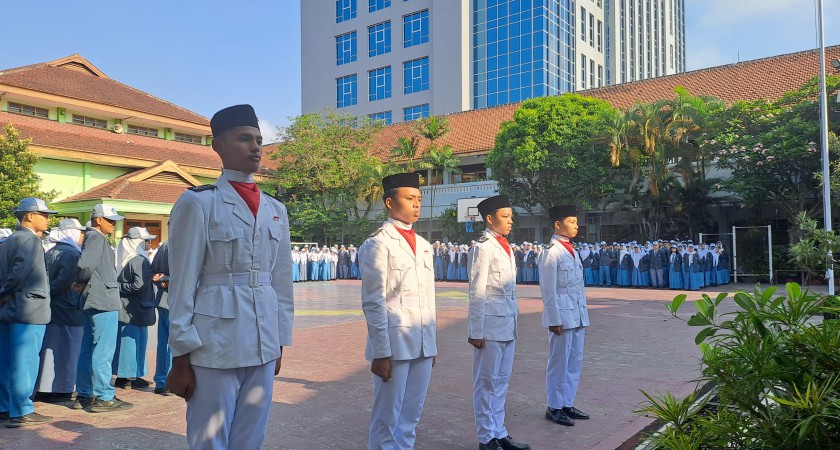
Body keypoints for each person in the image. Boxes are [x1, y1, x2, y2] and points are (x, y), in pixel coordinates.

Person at [167, 104, 294, 449]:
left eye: (259, 140)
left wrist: (279, 341)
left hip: (263, 340)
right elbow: (182, 283)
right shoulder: (198, 203)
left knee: (251, 437)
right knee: (210, 438)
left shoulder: (275, 209)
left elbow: (280, 282)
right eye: (244, 138)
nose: (255, 147)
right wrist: (180, 357)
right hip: (214, 342)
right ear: (218, 146)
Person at [359, 172, 437, 450]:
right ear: (390, 203)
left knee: (411, 416)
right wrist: (381, 353)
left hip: (421, 344)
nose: (416, 204)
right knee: (387, 417)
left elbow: (428, 299)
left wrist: (431, 345)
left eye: (419, 199)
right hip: (394, 345)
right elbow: (373, 301)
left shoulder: (426, 246)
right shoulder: (377, 244)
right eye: (409, 198)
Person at [467, 196, 531, 450]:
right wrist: (475, 330)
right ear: (490, 218)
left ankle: (499, 431)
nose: (510, 221)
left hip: (507, 324)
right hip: (490, 327)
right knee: (486, 382)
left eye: (511, 216)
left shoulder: (505, 246)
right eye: (505, 216)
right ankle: (486, 437)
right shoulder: (483, 247)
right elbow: (477, 291)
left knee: (501, 380)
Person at [0, 198, 56, 427]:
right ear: (30, 216)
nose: (48, 218)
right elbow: (19, 272)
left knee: (7, 362)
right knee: (26, 362)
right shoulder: (31, 240)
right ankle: (21, 410)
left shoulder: (10, 239)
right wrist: (5, 290)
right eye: (44, 214)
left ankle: (5, 406)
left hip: (10, 307)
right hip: (29, 308)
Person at [73, 203, 133, 412]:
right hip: (102, 299)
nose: (114, 224)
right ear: (98, 220)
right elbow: (85, 265)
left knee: (88, 349)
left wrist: (81, 283)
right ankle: (103, 396)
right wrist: (79, 280)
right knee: (103, 350)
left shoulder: (94, 237)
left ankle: (85, 395)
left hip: (94, 298)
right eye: (110, 220)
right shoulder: (97, 237)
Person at [539, 205, 590, 427]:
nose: (576, 226)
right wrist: (553, 319)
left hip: (578, 313)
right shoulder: (551, 252)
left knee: (574, 361)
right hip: (561, 316)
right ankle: (554, 406)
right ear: (558, 224)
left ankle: (567, 402)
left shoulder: (572, 250)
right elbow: (548, 290)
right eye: (572, 222)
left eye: (576, 222)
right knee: (559, 362)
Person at [35, 218, 86, 404]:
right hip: (68, 308)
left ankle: (46, 388)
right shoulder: (72, 253)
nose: (82, 236)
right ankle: (62, 388)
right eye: (80, 232)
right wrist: (50, 292)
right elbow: (64, 280)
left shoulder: (53, 250)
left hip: (55, 308)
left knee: (51, 348)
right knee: (68, 350)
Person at [112, 227, 157, 389]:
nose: (149, 243)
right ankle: (132, 376)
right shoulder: (139, 260)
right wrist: (118, 286)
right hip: (136, 308)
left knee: (124, 342)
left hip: (127, 307)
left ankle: (123, 376)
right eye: (146, 240)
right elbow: (138, 284)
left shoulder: (124, 258)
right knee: (134, 342)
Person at [151, 239, 173, 395]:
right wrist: (165, 280)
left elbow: (154, 272)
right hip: (175, 301)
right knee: (173, 344)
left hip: (165, 300)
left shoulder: (165, 245)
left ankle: (162, 381)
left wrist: (163, 280)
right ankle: (168, 381)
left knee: (164, 343)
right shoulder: (183, 243)